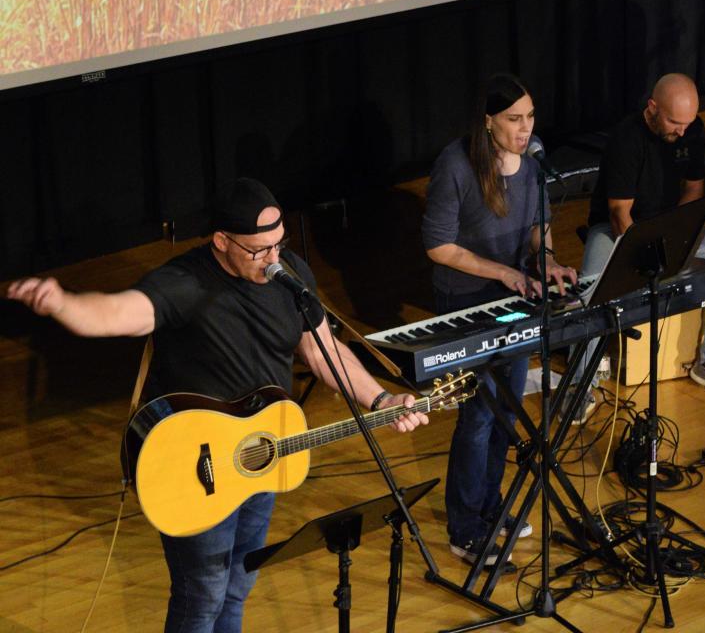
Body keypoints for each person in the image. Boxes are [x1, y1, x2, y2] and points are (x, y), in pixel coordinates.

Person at [5, 177, 427, 632]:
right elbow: (117, 314)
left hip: (261, 454)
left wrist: (382, 399)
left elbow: (325, 352)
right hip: (196, 463)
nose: (272, 260)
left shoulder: (289, 275)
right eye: (258, 250)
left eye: (278, 245)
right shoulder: (185, 283)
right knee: (201, 595)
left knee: (239, 584)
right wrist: (63, 304)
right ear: (221, 241)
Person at [422, 73, 577, 567]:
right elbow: (439, 246)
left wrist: (547, 260)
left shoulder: (533, 161)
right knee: (478, 416)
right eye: (513, 119)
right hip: (468, 303)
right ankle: (465, 528)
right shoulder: (456, 165)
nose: (524, 128)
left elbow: (538, 228)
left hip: (515, 297)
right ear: (488, 121)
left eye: (530, 117)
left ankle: (493, 507)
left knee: (508, 412)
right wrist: (505, 273)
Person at [578, 72, 705, 403]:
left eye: (687, 123)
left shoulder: (692, 130)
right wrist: (643, 256)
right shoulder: (626, 139)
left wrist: (679, 235)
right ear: (652, 108)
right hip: (620, 227)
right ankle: (582, 383)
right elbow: (618, 212)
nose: (681, 131)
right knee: (592, 289)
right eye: (674, 122)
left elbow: (694, 189)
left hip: (668, 225)